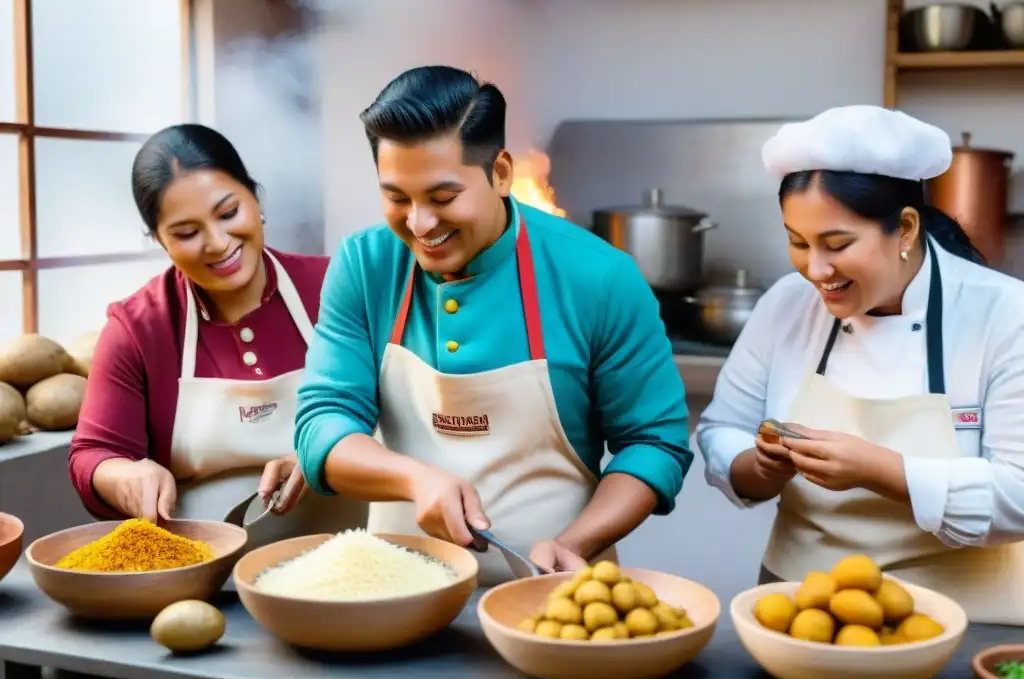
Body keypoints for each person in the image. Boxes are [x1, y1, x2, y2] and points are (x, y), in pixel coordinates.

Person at [293, 65, 693, 584]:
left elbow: (655, 443)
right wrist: (415, 479)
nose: (419, 224)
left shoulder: (600, 277)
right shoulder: (365, 265)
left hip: (553, 592)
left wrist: (577, 543)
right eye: (396, 198)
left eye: (442, 198)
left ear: (501, 173)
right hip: (393, 591)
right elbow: (322, 424)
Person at [695, 105, 1024, 624]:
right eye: (797, 242)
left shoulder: (1005, 313)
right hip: (805, 610)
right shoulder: (786, 303)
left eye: (838, 243)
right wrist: (759, 466)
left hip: (966, 618)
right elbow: (722, 430)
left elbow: (1019, 492)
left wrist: (881, 470)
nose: (816, 270)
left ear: (906, 228)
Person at [68, 124, 367, 547]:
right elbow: (92, 455)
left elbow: (396, 413)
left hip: (354, 561)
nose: (217, 242)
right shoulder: (137, 328)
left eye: (229, 213)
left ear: (255, 198)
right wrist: (126, 474)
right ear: (159, 240)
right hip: (207, 578)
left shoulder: (338, 285)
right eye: (187, 233)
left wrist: (327, 449)